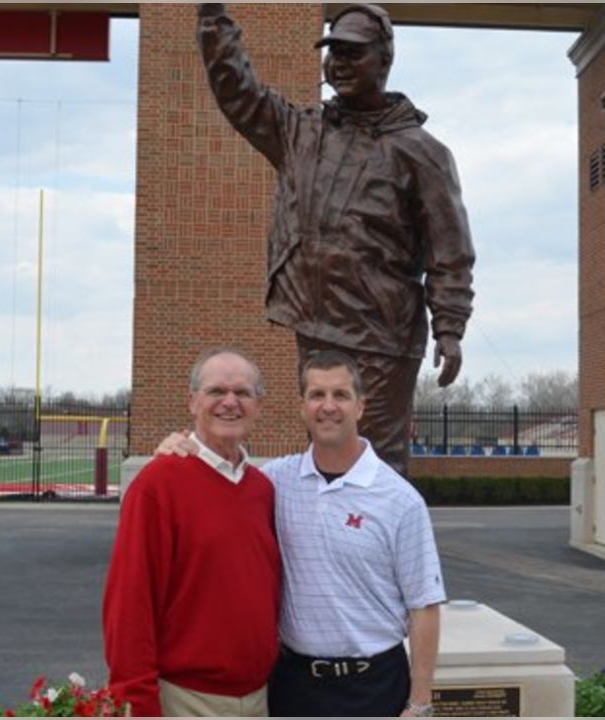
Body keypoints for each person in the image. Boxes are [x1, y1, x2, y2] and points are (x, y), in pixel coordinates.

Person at [197, 2, 476, 477]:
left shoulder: (421, 153)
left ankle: (381, 552)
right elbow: (238, 92)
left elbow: (449, 250)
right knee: (325, 452)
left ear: (384, 62)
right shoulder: (300, 133)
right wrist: (212, 18)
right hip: (317, 323)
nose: (339, 64)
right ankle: (328, 548)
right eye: (333, 53)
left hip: (382, 336)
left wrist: (449, 326)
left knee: (376, 465)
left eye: (353, 53)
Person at [159, 350, 445, 717]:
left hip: (373, 686)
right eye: (317, 395)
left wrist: (420, 703)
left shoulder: (401, 500)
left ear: (360, 406)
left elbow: (424, 606)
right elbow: (220, 474)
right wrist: (180, 446)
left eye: (340, 395)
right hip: (293, 684)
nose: (328, 406)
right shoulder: (274, 482)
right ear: (302, 406)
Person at [102, 348, 280, 717]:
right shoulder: (158, 485)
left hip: (259, 699)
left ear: (258, 406)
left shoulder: (263, 490)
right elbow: (130, 604)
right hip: (186, 701)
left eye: (243, 393)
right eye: (216, 391)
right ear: (192, 401)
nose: (230, 402)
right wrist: (137, 704)